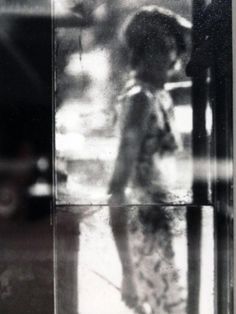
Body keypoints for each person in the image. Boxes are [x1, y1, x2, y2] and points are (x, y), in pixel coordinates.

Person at [108, 6, 190, 314]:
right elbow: (117, 187)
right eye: (164, 47)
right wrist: (128, 272)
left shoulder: (159, 94)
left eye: (174, 47)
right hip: (144, 235)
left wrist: (168, 21)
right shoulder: (139, 99)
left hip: (161, 232)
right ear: (143, 51)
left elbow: (198, 35)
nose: (174, 57)